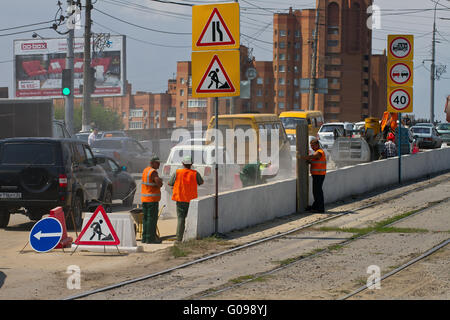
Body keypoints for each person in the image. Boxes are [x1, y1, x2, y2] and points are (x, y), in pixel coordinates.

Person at [167, 155, 204, 242]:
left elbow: (170, 183)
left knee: (181, 218)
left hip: (180, 199)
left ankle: (179, 238)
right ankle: (190, 237)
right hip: (191, 200)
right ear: (191, 164)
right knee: (191, 218)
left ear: (183, 163)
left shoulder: (177, 172)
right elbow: (201, 182)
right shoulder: (195, 173)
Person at [141, 156, 163, 244]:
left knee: (146, 219)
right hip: (152, 200)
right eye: (157, 163)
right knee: (151, 219)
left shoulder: (146, 170)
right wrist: (160, 181)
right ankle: (151, 239)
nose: (159, 164)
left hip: (145, 199)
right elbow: (159, 184)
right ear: (152, 163)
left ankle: (145, 238)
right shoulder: (153, 172)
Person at [301, 139, 326, 213]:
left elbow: (314, 156)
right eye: (311, 145)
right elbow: (315, 161)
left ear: (317, 145)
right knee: (316, 192)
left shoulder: (319, 152)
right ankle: (315, 207)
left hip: (319, 175)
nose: (312, 147)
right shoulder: (316, 152)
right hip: (316, 175)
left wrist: (302, 157)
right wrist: (310, 162)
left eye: (313, 145)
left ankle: (320, 208)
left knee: (317, 192)